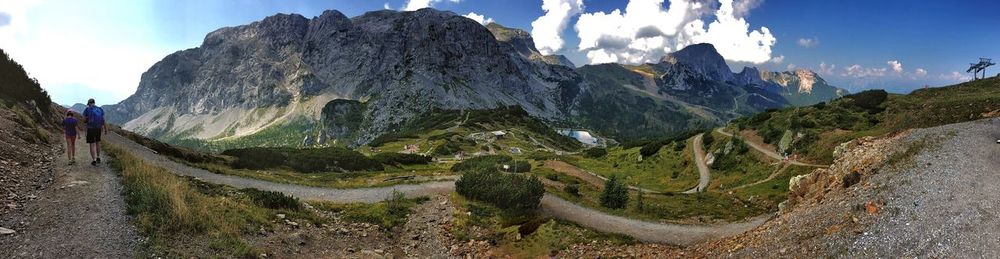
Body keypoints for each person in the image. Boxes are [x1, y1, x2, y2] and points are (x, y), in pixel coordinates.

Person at [82, 98, 107, 166]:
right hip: (98, 129)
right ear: (94, 102)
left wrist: (86, 120)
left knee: (92, 144)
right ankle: (98, 157)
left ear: (89, 103)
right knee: (98, 142)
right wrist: (105, 128)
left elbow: (84, 120)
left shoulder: (87, 109)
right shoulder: (100, 109)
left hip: (90, 129)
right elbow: (103, 119)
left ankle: (94, 160)